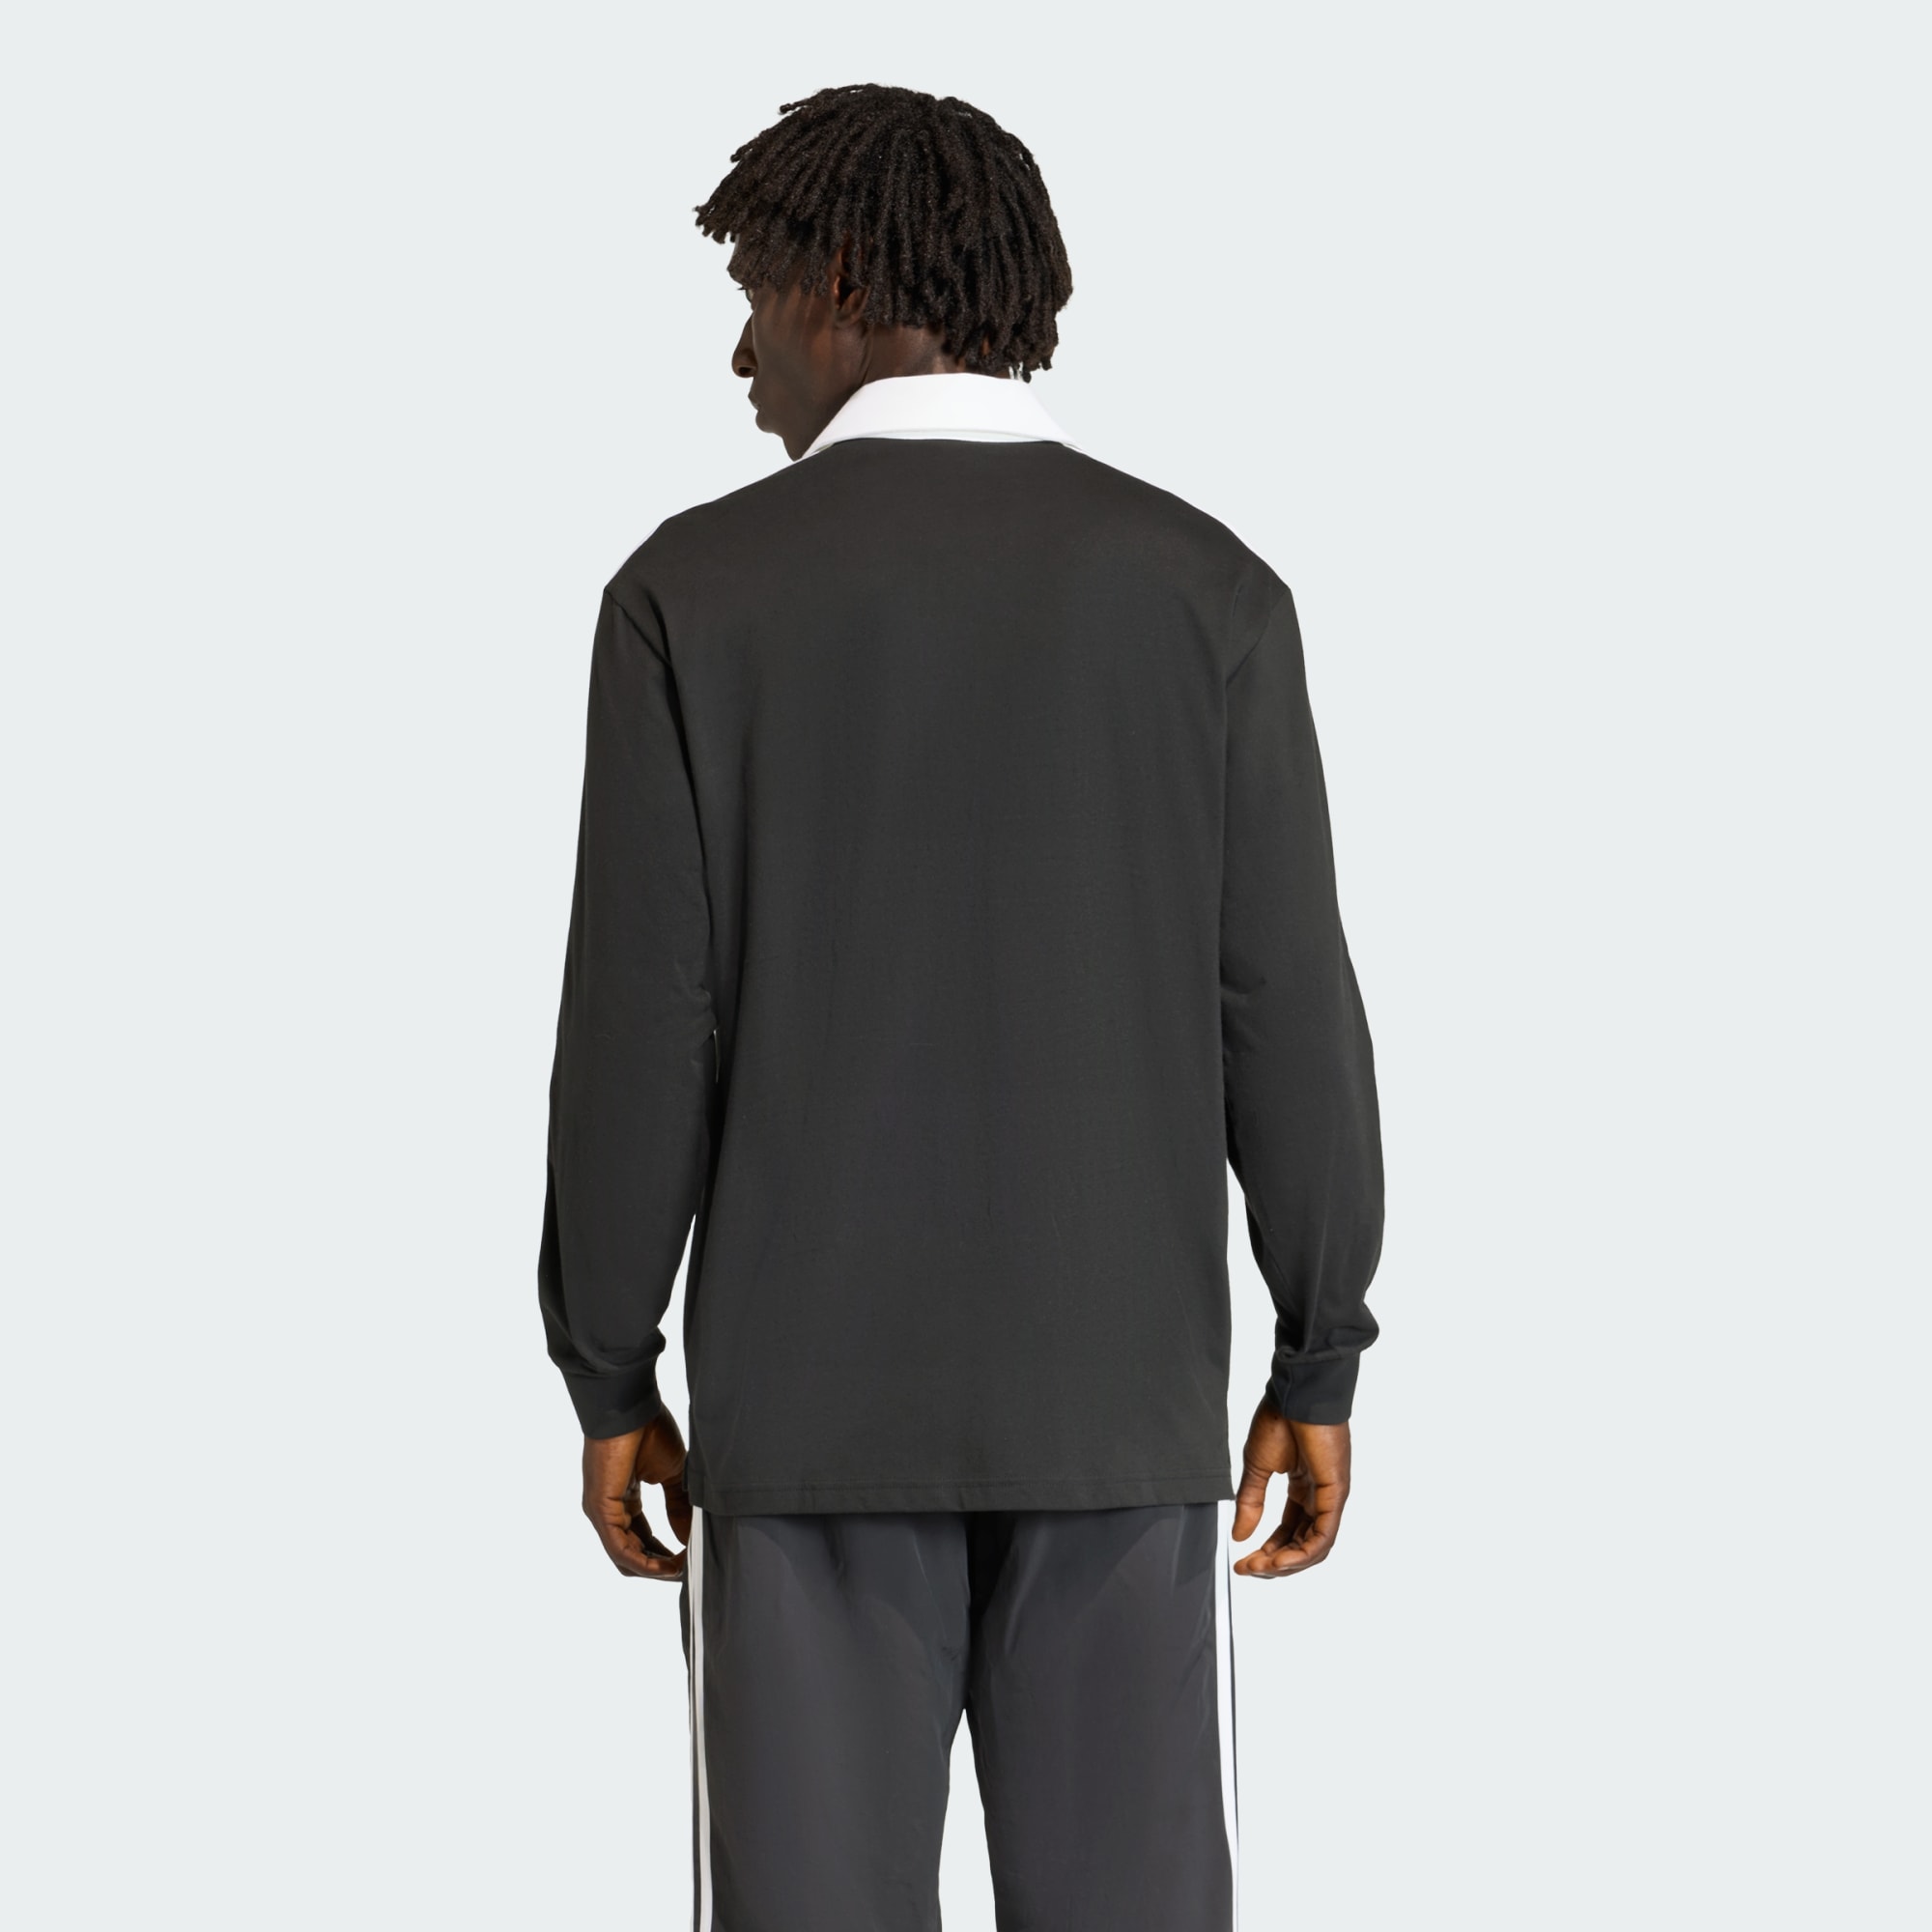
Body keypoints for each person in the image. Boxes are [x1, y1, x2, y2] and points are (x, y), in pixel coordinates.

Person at [537, 82, 1383, 1932]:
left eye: (755, 295)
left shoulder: (691, 595)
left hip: (806, 1425)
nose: (741, 352)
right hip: (1118, 1421)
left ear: (843, 281)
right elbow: (1287, 1008)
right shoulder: (1211, 594)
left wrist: (609, 1365)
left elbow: (642, 1027)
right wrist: (1316, 1354)